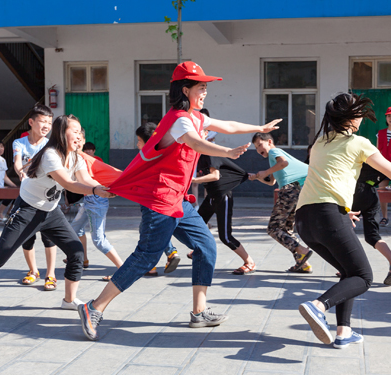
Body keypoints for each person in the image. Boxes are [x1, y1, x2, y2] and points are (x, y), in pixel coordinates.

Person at [77, 61, 280, 340]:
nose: (205, 92)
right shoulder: (178, 120)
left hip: (179, 201)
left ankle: (199, 312)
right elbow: (196, 143)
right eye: (201, 87)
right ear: (186, 90)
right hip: (160, 199)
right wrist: (227, 151)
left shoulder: (196, 117)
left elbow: (228, 124)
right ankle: (94, 307)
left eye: (207, 87)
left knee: (206, 246)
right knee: (146, 256)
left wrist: (259, 126)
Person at [294, 93, 391, 349]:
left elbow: (326, 177)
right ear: (351, 118)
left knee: (348, 273)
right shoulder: (359, 143)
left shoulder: (319, 142)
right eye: (358, 114)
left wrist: (344, 209)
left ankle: (344, 331)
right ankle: (318, 306)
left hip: (305, 218)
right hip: (328, 214)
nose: (360, 119)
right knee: (363, 276)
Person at [0, 115, 114, 316]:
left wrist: (103, 187)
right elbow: (68, 183)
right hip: (27, 210)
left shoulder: (76, 157)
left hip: (51, 212)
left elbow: (85, 179)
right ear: (61, 133)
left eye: (80, 131)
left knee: (76, 252)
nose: (79, 135)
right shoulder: (50, 154)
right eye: (74, 131)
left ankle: (69, 300)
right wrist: (95, 191)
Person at [250, 132, 313, 273]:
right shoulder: (272, 159)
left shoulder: (274, 151)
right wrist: (257, 177)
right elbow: (272, 181)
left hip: (289, 190)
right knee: (286, 229)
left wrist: (265, 172)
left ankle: (301, 250)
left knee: (273, 228)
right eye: (256, 147)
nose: (259, 149)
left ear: (270, 142)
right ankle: (303, 264)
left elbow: (283, 163)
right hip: (297, 190)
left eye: (260, 144)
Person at [68, 132, 125, 283]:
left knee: (99, 240)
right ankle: (83, 260)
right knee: (74, 229)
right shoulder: (75, 157)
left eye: (80, 139)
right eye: (74, 138)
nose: (77, 141)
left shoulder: (88, 159)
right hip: (89, 199)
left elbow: (106, 175)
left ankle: (124, 269)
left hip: (96, 199)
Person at [12, 104, 58, 289]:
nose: (46, 125)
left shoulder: (50, 145)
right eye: (42, 121)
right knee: (26, 237)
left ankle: (51, 275)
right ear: (31, 122)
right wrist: (21, 173)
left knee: (49, 237)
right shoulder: (19, 143)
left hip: (46, 198)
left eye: (49, 122)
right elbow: (17, 162)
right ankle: (33, 271)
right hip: (26, 197)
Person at [192, 153, 254, 274]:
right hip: (211, 196)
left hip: (222, 196)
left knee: (225, 236)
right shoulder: (197, 157)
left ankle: (250, 262)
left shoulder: (210, 154)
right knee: (195, 224)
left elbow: (215, 176)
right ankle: (200, 249)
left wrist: (194, 180)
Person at [135, 122, 181, 274]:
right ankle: (171, 252)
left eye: (139, 141)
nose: (137, 144)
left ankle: (150, 266)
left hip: (150, 200)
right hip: (162, 199)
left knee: (148, 232)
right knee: (151, 229)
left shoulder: (145, 157)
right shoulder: (162, 153)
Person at [352, 163, 391, 285]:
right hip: (372, 193)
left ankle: (348, 266)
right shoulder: (374, 158)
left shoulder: (355, 154)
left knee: (345, 230)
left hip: (357, 192)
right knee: (372, 235)